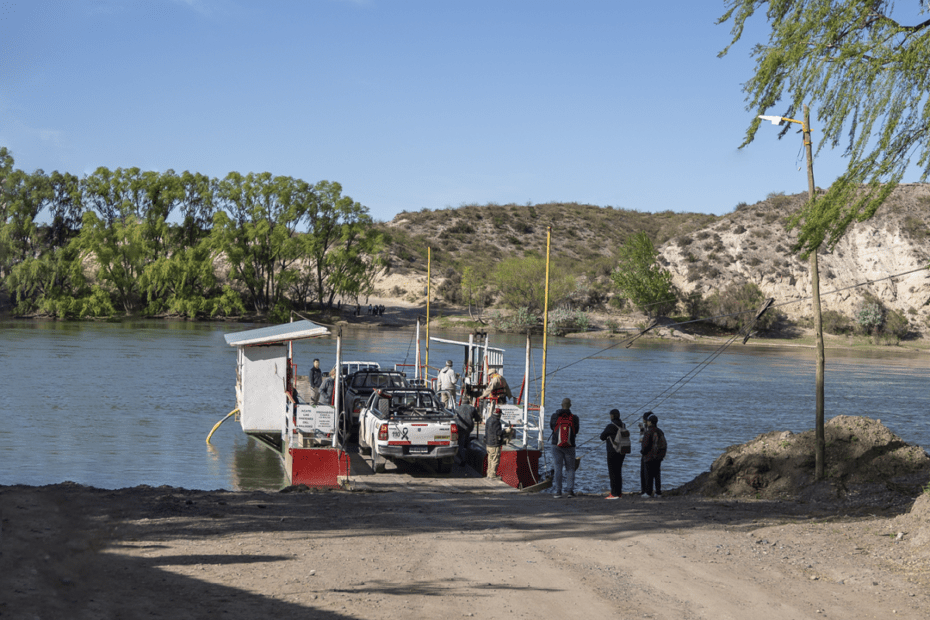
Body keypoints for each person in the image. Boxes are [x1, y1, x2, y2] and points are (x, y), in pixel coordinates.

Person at [549, 398, 579, 498]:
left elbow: (552, 427)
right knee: (570, 468)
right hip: (570, 445)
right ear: (570, 405)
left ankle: (558, 491)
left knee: (558, 468)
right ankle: (570, 491)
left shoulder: (554, 416)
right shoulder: (574, 417)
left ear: (561, 405)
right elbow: (576, 430)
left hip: (556, 445)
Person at [599, 409, 628, 499]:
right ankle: (619, 492)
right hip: (622, 451)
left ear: (612, 416)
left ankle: (614, 493)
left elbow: (602, 437)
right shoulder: (623, 425)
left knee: (612, 472)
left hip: (612, 451)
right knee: (618, 471)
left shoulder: (610, 426)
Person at [641, 414, 666, 497]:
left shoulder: (649, 432)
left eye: (648, 421)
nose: (647, 422)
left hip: (649, 456)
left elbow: (645, 445)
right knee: (657, 475)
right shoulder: (660, 431)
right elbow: (664, 444)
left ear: (650, 422)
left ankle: (648, 492)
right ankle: (658, 492)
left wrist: (643, 452)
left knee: (648, 475)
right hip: (658, 457)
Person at [484, 407, 505, 480]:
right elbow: (498, 433)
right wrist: (505, 431)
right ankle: (492, 475)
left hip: (488, 443)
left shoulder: (489, 419)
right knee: (495, 460)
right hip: (494, 444)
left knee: (490, 459)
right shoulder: (496, 421)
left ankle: (489, 474)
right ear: (499, 414)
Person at [638, 411, 652, 496]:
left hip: (647, 453)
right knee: (643, 472)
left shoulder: (650, 429)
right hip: (645, 452)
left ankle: (646, 491)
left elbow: (645, 439)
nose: (642, 419)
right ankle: (643, 490)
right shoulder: (646, 427)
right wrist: (641, 428)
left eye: (643, 418)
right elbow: (642, 435)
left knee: (646, 472)